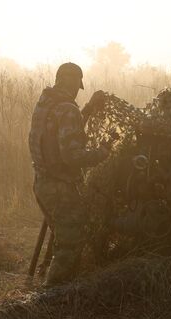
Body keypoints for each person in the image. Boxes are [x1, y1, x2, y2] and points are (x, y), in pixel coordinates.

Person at [28, 62, 110, 286]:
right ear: (72, 82)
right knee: (70, 243)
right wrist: (102, 153)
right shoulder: (68, 109)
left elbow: (62, 131)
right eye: (77, 85)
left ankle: (49, 283)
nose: (77, 91)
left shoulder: (45, 104)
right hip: (61, 187)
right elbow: (72, 156)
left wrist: (88, 110)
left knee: (62, 235)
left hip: (42, 183)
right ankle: (53, 297)